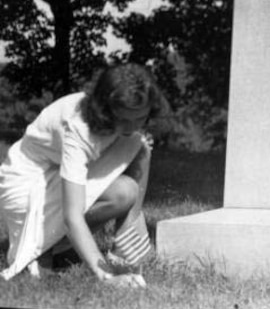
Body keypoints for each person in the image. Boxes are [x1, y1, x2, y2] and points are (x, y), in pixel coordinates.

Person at [0, 63, 167, 288]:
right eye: (125, 119)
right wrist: (107, 277)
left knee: (135, 162)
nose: (133, 126)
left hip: (54, 171)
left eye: (140, 118)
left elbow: (139, 150)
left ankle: (120, 240)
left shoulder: (125, 126)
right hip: (26, 183)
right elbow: (73, 215)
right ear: (107, 108)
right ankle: (42, 250)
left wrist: (128, 228)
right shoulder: (79, 128)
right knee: (124, 184)